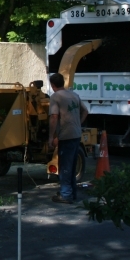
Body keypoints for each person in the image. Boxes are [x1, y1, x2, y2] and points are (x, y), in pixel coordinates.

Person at [47, 73, 89, 204]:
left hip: (65, 136)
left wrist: (51, 137)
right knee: (71, 165)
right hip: (76, 134)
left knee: (64, 166)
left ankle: (65, 195)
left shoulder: (55, 97)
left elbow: (54, 117)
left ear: (53, 85)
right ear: (63, 83)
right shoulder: (74, 95)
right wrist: (78, 123)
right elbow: (85, 111)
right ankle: (72, 193)